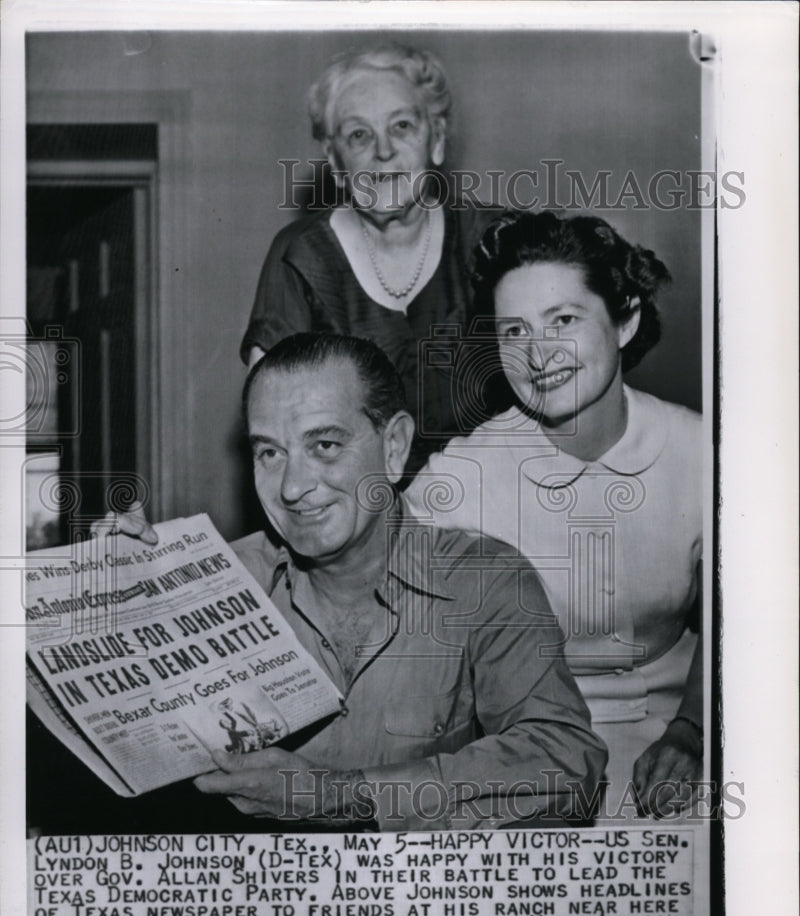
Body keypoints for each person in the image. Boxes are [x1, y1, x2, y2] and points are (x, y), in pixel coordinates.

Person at [107, 333, 607, 831]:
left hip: (424, 899)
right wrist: (126, 608)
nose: (292, 488)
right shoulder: (225, 582)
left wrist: (342, 795)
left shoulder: (484, 581)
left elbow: (565, 763)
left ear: (394, 448)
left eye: (324, 445)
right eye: (269, 454)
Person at [405, 211, 703, 820]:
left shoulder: (704, 453)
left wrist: (693, 732)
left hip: (684, 731)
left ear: (625, 320)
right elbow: (351, 571)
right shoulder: (463, 478)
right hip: (521, 755)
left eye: (563, 320)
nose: (538, 355)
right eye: (513, 331)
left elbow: (750, 620)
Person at [240, 42, 502, 474]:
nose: (383, 151)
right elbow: (274, 425)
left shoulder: (492, 238)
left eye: (401, 126)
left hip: (498, 503)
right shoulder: (300, 257)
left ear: (436, 139)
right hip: (359, 514)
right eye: (359, 134)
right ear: (336, 163)